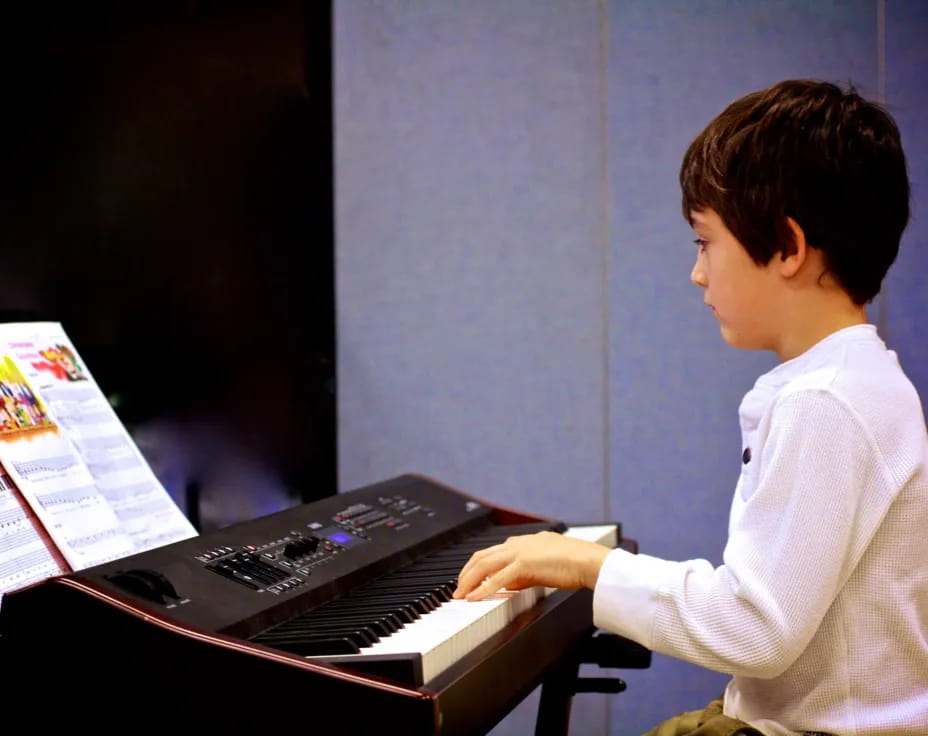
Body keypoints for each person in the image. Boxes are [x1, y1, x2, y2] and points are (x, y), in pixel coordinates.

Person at [452, 79, 927, 736]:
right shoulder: (854, 380)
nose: (697, 274)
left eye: (705, 242)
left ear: (787, 248)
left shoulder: (826, 400)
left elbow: (755, 630)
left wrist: (590, 566)